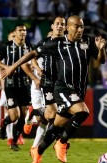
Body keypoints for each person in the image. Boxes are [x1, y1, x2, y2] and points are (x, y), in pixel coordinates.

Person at [1, 15, 107, 163]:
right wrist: (12, 67)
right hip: (62, 88)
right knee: (83, 111)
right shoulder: (56, 43)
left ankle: (37, 152)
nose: (80, 30)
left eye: (82, 27)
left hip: (78, 90)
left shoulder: (87, 41)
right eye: (76, 27)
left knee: (56, 125)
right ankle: (62, 143)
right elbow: (31, 54)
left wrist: (101, 49)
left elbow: (101, 61)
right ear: (68, 28)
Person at [0, 23, 37, 151]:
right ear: (15, 33)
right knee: (14, 116)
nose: (23, 32)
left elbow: (34, 61)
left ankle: (13, 141)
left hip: (25, 85)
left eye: (24, 31)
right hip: (11, 85)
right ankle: (5, 122)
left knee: (24, 116)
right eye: (20, 30)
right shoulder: (6, 47)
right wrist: (7, 68)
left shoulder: (30, 47)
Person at [26, 17, 66, 150]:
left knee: (47, 119)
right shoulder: (43, 43)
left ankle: (35, 147)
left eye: (62, 25)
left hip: (57, 84)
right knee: (47, 118)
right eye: (57, 24)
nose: (59, 27)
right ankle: (34, 111)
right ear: (52, 27)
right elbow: (32, 59)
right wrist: (37, 72)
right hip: (42, 82)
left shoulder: (66, 44)